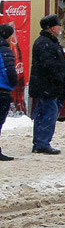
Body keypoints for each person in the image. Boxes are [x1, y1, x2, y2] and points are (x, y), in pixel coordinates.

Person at [29, 14, 65, 155]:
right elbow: (49, 66)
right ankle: (42, 143)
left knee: (43, 113)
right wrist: (58, 78)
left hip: (46, 86)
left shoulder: (47, 41)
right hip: (48, 86)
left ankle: (40, 142)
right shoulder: (46, 43)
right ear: (51, 28)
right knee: (49, 113)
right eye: (58, 25)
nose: (60, 28)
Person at [0, 24, 18, 161]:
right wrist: (12, 85)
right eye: (11, 34)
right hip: (2, 91)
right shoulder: (5, 50)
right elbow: (9, 72)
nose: (13, 37)